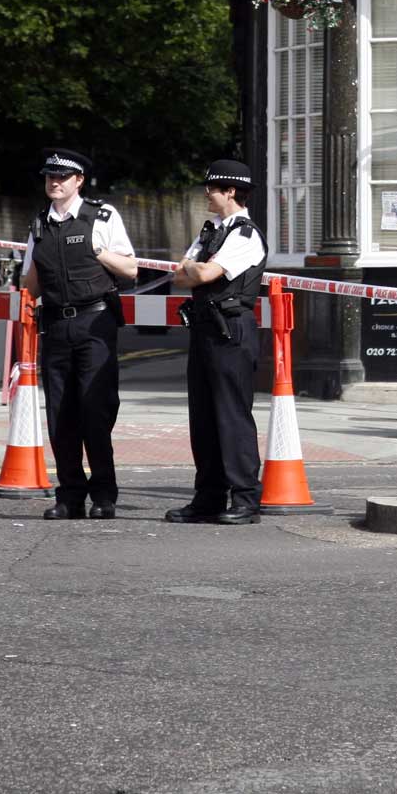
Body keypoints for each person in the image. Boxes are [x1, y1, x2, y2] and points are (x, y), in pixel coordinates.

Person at [21, 148, 137, 520]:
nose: (54, 182)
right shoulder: (39, 224)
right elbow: (31, 284)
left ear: (79, 181)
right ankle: (70, 495)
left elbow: (130, 268)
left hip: (94, 323)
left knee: (95, 411)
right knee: (61, 415)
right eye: (49, 176)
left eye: (62, 177)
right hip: (55, 325)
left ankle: (104, 494)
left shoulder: (101, 216)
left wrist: (96, 251)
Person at [165, 159, 266, 526]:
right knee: (203, 417)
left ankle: (245, 499)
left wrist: (195, 268)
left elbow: (201, 271)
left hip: (231, 331)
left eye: (213, 187)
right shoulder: (211, 232)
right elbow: (178, 276)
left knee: (232, 417)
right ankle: (208, 497)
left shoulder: (244, 234)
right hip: (205, 329)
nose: (206, 193)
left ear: (231, 192)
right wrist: (194, 269)